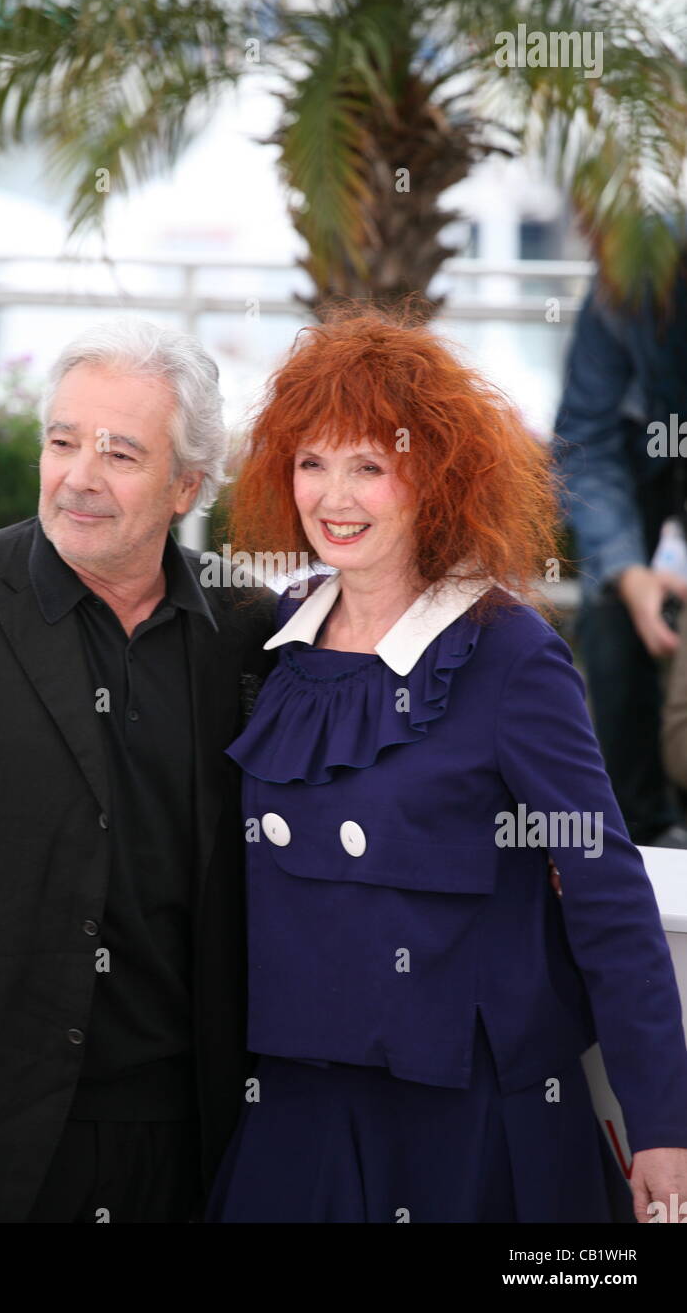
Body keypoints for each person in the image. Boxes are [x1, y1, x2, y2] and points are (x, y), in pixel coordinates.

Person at [204, 307, 687, 1224]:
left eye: (368, 467)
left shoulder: (508, 652)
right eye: (311, 463)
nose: (331, 497)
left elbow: (606, 889)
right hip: (300, 1109)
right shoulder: (274, 640)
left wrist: (664, 1123)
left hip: (473, 1123)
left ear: (435, 477)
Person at [0, 317, 275, 1223]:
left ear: (187, 485)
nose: (79, 476)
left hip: (184, 1134)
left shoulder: (246, 635)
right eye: (63, 441)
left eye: (120, 454)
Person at [552, 254, 687, 848]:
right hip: (641, 470)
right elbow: (586, 442)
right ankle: (643, 842)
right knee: (611, 624)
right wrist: (627, 572)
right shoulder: (628, 276)